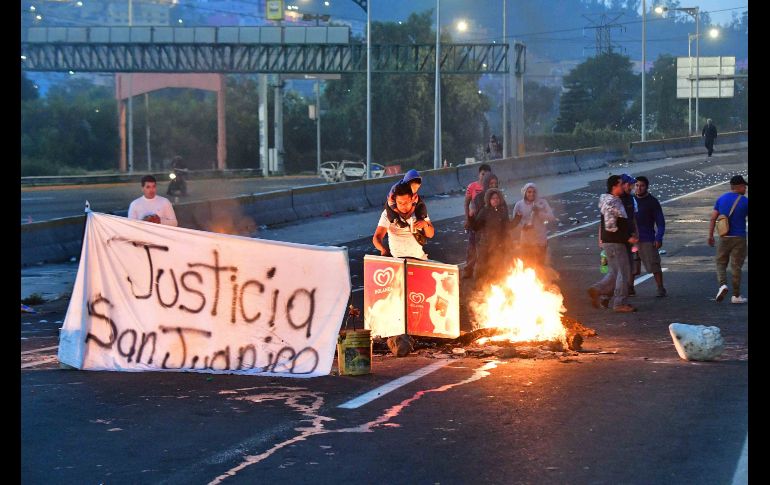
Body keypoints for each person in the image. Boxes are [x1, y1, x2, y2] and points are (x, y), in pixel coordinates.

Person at [588, 175, 638, 313]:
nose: (623, 186)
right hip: (616, 242)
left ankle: (598, 289)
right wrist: (627, 237)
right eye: (621, 184)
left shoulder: (612, 200)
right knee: (624, 272)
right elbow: (610, 226)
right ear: (614, 186)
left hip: (612, 241)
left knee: (615, 271)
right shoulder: (612, 202)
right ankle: (619, 302)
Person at [708, 175, 748, 304]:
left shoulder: (721, 199)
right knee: (736, 267)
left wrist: (710, 235)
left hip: (724, 237)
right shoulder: (745, 201)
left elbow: (713, 218)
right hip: (739, 238)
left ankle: (723, 285)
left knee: (720, 263)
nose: (745, 189)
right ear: (739, 187)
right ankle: (736, 296)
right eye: (744, 186)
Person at [373, 182, 435, 259]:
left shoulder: (419, 211)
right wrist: (383, 249)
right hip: (397, 260)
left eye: (406, 202)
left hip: (419, 258)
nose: (403, 206)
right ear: (395, 201)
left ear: (412, 199)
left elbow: (430, 234)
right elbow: (377, 237)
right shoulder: (388, 214)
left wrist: (425, 225)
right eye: (400, 203)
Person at [469, 188, 513, 282]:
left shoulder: (502, 211)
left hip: (499, 245)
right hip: (486, 244)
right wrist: (471, 217)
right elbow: (475, 227)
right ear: (489, 199)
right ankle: (479, 284)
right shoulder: (484, 211)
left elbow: (507, 227)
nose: (495, 200)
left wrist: (518, 217)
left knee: (497, 266)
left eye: (497, 198)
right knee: (483, 265)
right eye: (493, 198)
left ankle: (495, 283)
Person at [633, 176, 667, 297]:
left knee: (654, 265)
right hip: (632, 239)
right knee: (632, 266)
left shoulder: (652, 202)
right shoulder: (630, 200)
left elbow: (660, 222)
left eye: (642, 186)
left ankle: (660, 288)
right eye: (637, 185)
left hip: (647, 238)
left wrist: (659, 237)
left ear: (647, 187)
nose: (639, 188)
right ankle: (630, 288)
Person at [511, 182, 556, 267]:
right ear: (525, 192)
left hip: (540, 239)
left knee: (539, 265)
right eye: (529, 192)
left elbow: (551, 217)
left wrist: (539, 212)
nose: (531, 194)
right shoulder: (519, 205)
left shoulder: (542, 203)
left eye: (534, 192)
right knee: (527, 264)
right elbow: (515, 222)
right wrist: (523, 226)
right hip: (526, 240)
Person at [463, 164, 492, 278]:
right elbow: (466, 203)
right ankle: (468, 269)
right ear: (479, 174)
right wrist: (467, 218)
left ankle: (484, 271)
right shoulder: (472, 186)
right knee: (472, 246)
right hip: (475, 221)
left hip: (487, 222)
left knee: (486, 247)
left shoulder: (490, 186)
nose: (484, 177)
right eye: (482, 174)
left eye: (487, 175)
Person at [619, 173, 639, 296]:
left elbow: (633, 218)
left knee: (630, 266)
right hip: (619, 240)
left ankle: (628, 289)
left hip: (629, 238)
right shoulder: (615, 200)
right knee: (620, 269)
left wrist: (636, 234)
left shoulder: (631, 199)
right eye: (630, 184)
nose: (632, 187)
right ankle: (602, 290)